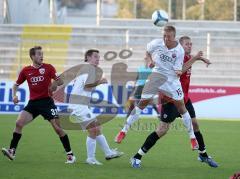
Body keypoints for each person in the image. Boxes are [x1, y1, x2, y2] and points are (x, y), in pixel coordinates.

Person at [1, 46, 76, 164]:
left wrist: (54, 84)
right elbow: (15, 85)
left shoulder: (48, 67)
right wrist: (14, 96)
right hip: (33, 103)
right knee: (18, 123)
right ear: (32, 56)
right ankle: (12, 151)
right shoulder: (26, 70)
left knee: (57, 129)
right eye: (39, 54)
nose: (42, 56)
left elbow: (60, 81)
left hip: (47, 103)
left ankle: (70, 155)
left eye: (42, 54)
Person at [158, 36, 218, 167]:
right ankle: (138, 155)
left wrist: (201, 59)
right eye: (187, 44)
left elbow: (190, 60)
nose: (190, 46)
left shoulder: (188, 58)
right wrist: (196, 58)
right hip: (172, 100)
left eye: (191, 44)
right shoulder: (176, 58)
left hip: (185, 99)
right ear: (180, 46)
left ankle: (203, 154)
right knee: (162, 130)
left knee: (195, 124)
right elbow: (180, 71)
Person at [68, 49, 123, 165]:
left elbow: (85, 87)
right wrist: (100, 81)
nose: (98, 59)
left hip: (80, 105)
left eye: (99, 57)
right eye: (95, 57)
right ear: (88, 57)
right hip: (79, 105)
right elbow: (87, 85)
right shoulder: (88, 69)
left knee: (97, 127)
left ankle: (108, 153)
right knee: (93, 129)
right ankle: (91, 158)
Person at [115, 56, 161, 143]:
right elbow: (137, 78)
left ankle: (158, 114)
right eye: (146, 58)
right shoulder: (140, 68)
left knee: (149, 102)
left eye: (148, 58)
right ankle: (128, 116)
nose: (146, 60)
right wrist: (134, 86)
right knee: (134, 103)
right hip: (138, 87)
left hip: (147, 87)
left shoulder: (152, 69)